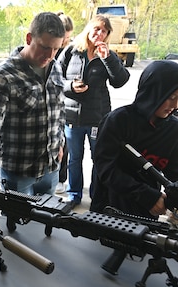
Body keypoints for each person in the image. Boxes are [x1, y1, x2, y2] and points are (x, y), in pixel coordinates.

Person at [0, 12, 65, 231]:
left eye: (56, 49)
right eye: (44, 47)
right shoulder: (4, 74)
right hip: (19, 171)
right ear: (28, 39)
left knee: (45, 220)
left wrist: (60, 142)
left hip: (51, 167)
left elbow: (58, 109)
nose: (50, 55)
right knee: (17, 228)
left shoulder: (55, 67)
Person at [56, 14, 130, 208]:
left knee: (99, 159)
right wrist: (70, 86)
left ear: (107, 36)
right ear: (89, 28)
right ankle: (74, 195)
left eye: (104, 31)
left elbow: (120, 81)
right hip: (72, 117)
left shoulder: (107, 55)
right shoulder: (72, 51)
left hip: (97, 118)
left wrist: (108, 58)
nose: (99, 33)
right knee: (74, 159)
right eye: (97, 28)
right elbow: (55, 79)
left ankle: (98, 198)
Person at [90, 60, 178, 220]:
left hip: (147, 212)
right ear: (153, 91)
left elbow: (174, 171)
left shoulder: (173, 130)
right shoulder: (118, 120)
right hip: (109, 208)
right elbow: (105, 168)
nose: (175, 105)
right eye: (171, 97)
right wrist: (148, 196)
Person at [55, 12, 74, 194]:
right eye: (63, 37)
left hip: (67, 104)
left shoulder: (71, 50)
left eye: (68, 38)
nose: (64, 42)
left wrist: (72, 86)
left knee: (64, 145)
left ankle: (62, 178)